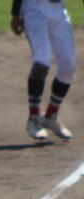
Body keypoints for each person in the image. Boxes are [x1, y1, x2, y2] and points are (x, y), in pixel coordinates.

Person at [11, 0, 76, 140]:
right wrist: (15, 14)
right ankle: (33, 118)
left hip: (59, 11)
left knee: (68, 67)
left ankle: (51, 116)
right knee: (42, 61)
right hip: (34, 9)